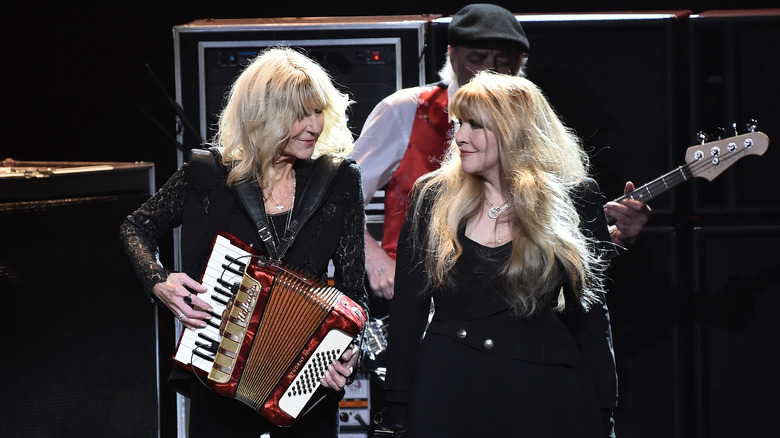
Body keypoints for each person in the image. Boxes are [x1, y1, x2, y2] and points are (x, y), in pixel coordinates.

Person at [120, 47, 368, 438]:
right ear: (262, 115)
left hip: (304, 385)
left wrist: (352, 353)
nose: (312, 126)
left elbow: (354, 293)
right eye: (298, 114)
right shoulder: (208, 175)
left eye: (317, 110)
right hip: (216, 373)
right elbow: (137, 226)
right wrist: (160, 281)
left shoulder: (339, 181)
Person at [352, 3, 650, 301]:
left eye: (502, 59)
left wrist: (618, 236)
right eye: (476, 58)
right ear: (452, 55)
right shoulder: (406, 110)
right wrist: (375, 261)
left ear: (520, 63)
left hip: (503, 300)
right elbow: (338, 198)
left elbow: (561, 247)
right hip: (410, 292)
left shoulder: (533, 126)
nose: (488, 70)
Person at [382, 71, 620, 437]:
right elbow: (408, 312)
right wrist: (396, 406)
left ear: (513, 130)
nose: (460, 137)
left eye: (475, 125)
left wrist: (606, 409)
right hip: (449, 389)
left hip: (545, 392)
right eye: (459, 123)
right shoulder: (432, 196)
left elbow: (590, 316)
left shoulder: (574, 198)